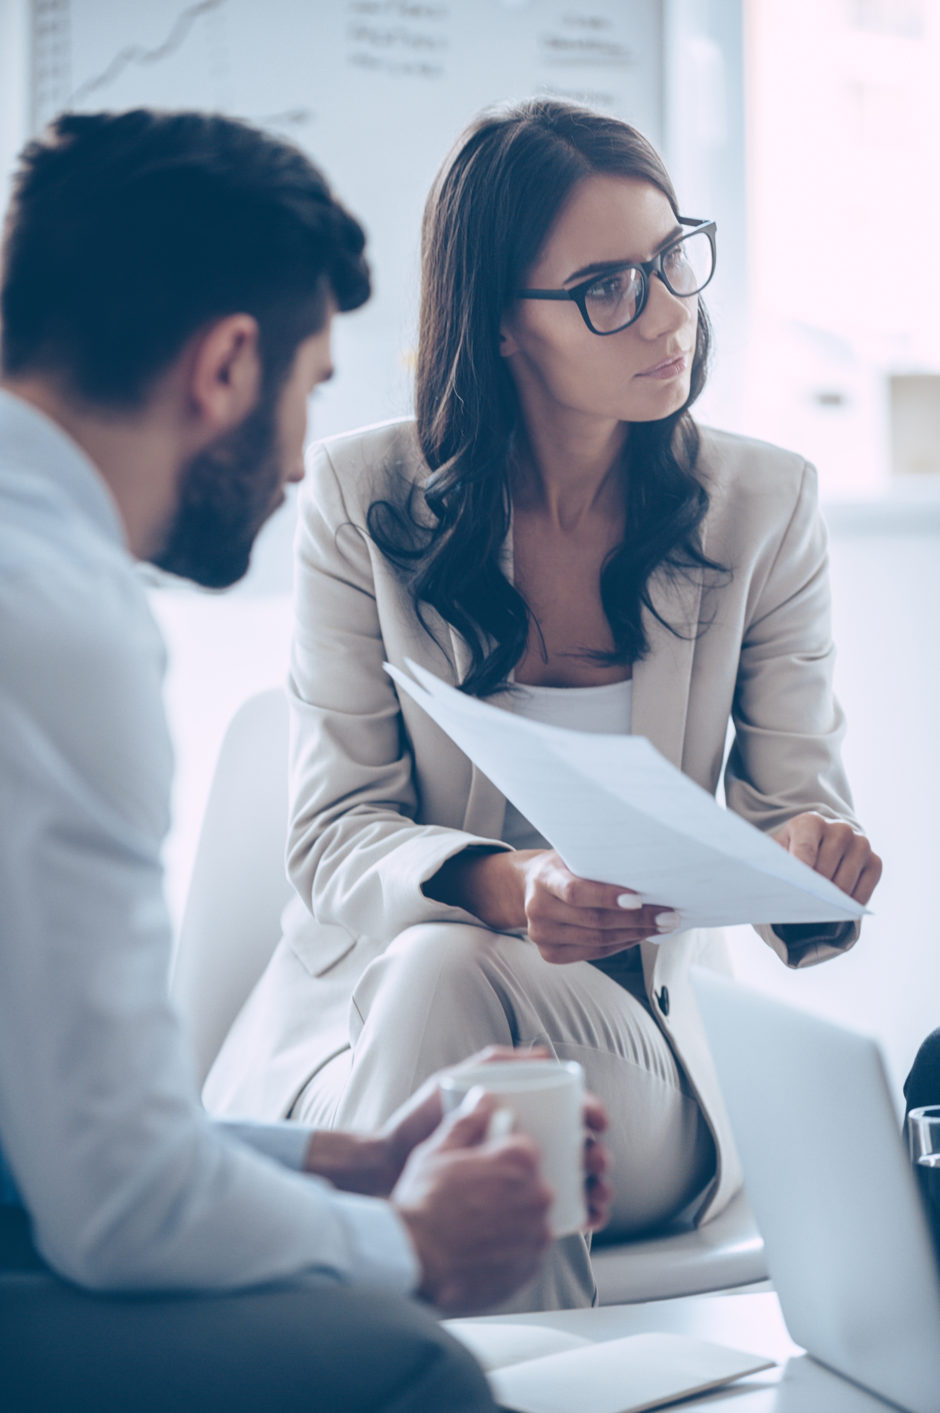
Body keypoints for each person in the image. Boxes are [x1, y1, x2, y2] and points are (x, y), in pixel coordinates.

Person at [205, 98, 882, 1310]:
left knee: (447, 990)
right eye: (607, 288)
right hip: (365, 1036)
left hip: (639, 1060)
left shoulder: (762, 503)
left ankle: (365, 1354)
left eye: (674, 259)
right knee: (440, 973)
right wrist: (510, 889)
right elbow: (330, 836)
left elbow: (795, 824)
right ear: (500, 325)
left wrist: (809, 860)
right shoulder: (364, 495)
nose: (670, 312)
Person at [0, 108, 612, 1412]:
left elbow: (34, 1134)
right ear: (226, 365)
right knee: (413, 1368)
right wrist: (413, 1243)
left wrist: (349, 1164)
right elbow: (119, 1206)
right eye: (310, 388)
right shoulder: (51, 614)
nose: (296, 461)